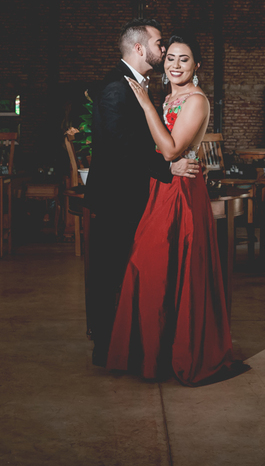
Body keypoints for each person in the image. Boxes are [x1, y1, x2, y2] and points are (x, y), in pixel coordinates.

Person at [107, 36, 243, 386]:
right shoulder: (169, 98)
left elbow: (169, 150)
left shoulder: (196, 100)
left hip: (181, 191)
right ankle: (151, 355)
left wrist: (145, 104)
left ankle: (177, 354)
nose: (175, 65)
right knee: (152, 266)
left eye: (184, 59)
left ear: (197, 66)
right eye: (170, 58)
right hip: (162, 186)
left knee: (167, 267)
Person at [84, 19, 200, 368]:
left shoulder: (139, 86)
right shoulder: (117, 87)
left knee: (132, 272)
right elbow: (121, 146)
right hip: (117, 197)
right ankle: (107, 347)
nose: (164, 51)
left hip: (140, 195)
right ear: (139, 48)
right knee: (110, 273)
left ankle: (132, 345)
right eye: (159, 44)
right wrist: (169, 168)